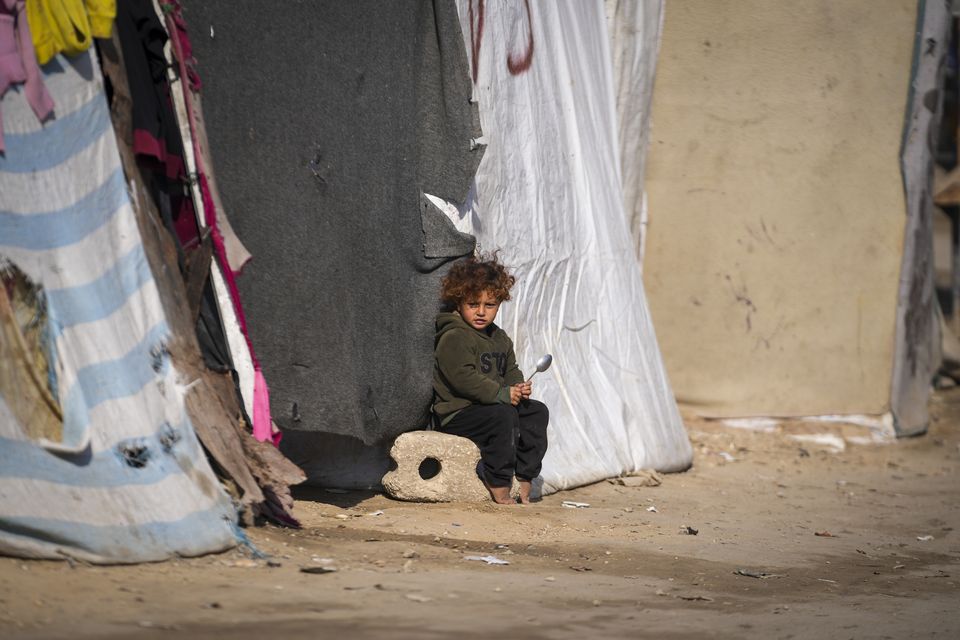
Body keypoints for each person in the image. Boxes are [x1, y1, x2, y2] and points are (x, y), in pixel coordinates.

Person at [432, 254, 549, 504]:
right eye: (474, 304)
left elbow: (511, 369)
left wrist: (517, 385)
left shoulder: (499, 337)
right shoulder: (454, 336)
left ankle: (526, 476)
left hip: (491, 404)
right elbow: (462, 378)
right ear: (459, 301)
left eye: (490, 305)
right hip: (459, 413)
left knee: (536, 412)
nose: (482, 312)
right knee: (503, 415)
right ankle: (497, 480)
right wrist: (501, 395)